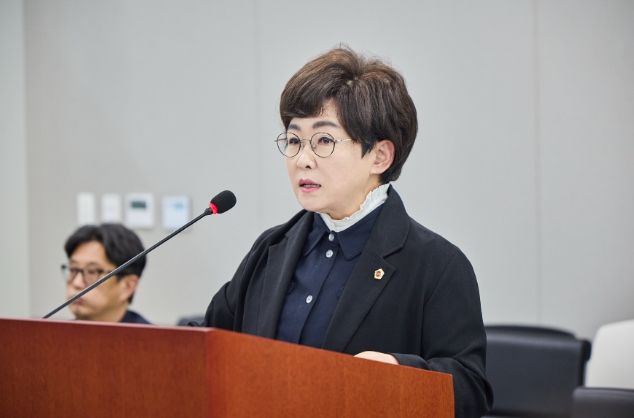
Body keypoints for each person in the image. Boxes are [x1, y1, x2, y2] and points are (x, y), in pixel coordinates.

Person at [203, 47, 492, 417]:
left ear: (380, 156)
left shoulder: (437, 264)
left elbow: (470, 391)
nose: (302, 159)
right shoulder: (271, 248)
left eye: (324, 141)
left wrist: (398, 372)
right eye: (294, 140)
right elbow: (209, 341)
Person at [62, 223, 150, 324]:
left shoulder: (151, 334)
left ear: (128, 286)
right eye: (73, 269)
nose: (77, 283)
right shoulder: (53, 333)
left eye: (92, 272)